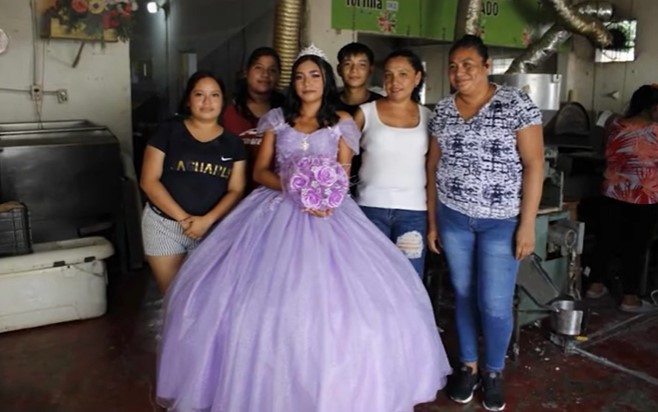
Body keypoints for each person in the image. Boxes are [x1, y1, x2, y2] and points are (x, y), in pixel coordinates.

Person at [156, 46, 451, 412]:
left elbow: (343, 173)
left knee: (342, 307)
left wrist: (324, 196)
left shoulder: (342, 120)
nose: (306, 82)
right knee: (256, 306)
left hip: (331, 214)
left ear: (326, 79)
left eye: (314, 75)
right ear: (292, 84)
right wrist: (294, 185)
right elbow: (261, 171)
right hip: (274, 212)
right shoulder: (278, 119)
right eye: (299, 76)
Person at [426, 35, 544, 411]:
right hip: (453, 217)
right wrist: (432, 222)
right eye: (453, 66)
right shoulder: (443, 110)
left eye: (468, 65)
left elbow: (535, 164)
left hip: (501, 223)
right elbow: (432, 167)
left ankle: (493, 370)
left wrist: (526, 225)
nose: (459, 73)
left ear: (487, 65)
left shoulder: (515, 103)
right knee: (462, 295)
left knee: (492, 303)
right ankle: (468, 366)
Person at [140, 71, 247, 294]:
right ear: (188, 100)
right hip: (165, 226)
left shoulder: (233, 143)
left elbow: (236, 189)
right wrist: (186, 221)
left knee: (205, 298)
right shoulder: (168, 131)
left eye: (214, 95)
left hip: (212, 229)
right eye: (200, 94)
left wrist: (206, 221)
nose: (207, 102)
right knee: (173, 296)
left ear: (222, 101)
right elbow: (149, 181)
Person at [353, 49, 431, 278]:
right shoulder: (365, 113)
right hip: (369, 207)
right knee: (369, 277)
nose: (394, 82)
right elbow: (341, 159)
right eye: (388, 75)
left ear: (417, 78)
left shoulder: (430, 118)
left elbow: (434, 167)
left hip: (413, 211)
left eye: (402, 74)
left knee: (409, 279)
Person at [586, 84, 658, 312]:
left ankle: (594, 286)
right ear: (653, 108)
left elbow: (602, 149)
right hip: (643, 197)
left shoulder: (614, 124)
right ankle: (630, 298)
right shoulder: (655, 131)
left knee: (605, 239)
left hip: (611, 193)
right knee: (636, 247)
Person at [223, 47, 285, 192]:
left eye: (272, 70)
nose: (265, 75)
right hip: (233, 192)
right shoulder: (227, 110)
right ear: (246, 72)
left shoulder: (287, 112)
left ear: (278, 76)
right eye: (259, 68)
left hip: (275, 194)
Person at [335, 42, 383, 195]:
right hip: (334, 183)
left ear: (370, 70)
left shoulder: (381, 104)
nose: (354, 70)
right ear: (339, 70)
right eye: (348, 64)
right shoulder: (326, 104)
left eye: (361, 65)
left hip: (372, 187)